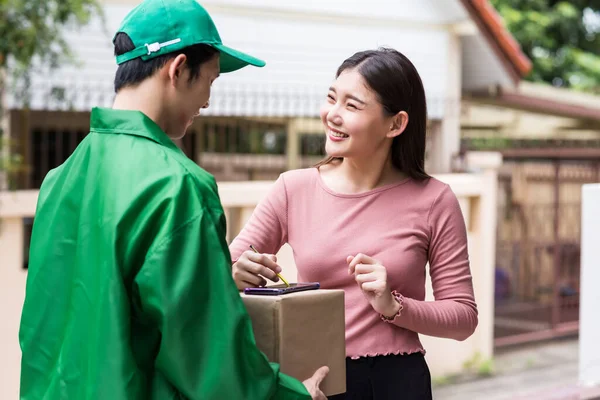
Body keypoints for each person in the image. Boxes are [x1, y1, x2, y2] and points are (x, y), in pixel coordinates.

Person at [18, 0, 328, 399]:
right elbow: (208, 360)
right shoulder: (177, 186)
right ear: (179, 69)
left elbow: (42, 334)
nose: (208, 101)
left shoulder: (58, 181)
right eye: (210, 82)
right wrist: (294, 395)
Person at [230, 48, 478, 400]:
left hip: (398, 382)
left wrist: (395, 306)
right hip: (315, 380)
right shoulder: (293, 188)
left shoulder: (435, 200)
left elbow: (464, 317)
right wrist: (236, 272)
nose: (332, 115)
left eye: (352, 105)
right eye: (332, 99)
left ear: (396, 124)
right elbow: (217, 274)